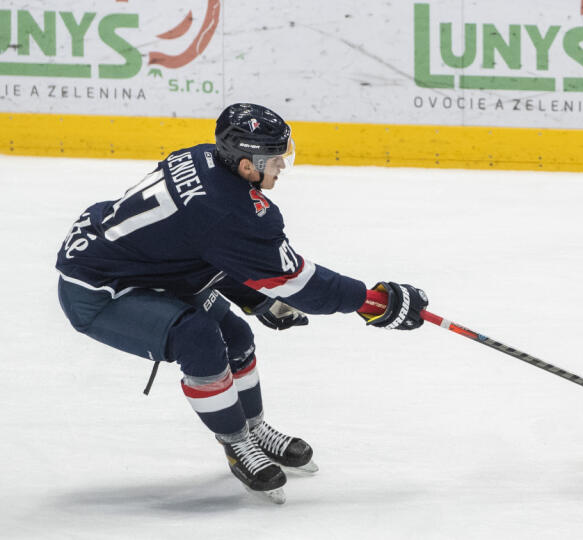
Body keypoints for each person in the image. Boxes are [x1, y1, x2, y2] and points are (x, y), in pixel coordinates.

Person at [56, 103, 429, 504]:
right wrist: (373, 302)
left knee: (235, 333)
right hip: (97, 290)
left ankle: (253, 428)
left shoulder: (202, 155)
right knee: (198, 337)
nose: (283, 166)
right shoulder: (231, 211)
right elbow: (300, 284)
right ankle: (236, 443)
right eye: (275, 159)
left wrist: (252, 295)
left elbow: (198, 247)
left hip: (139, 265)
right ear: (247, 165)